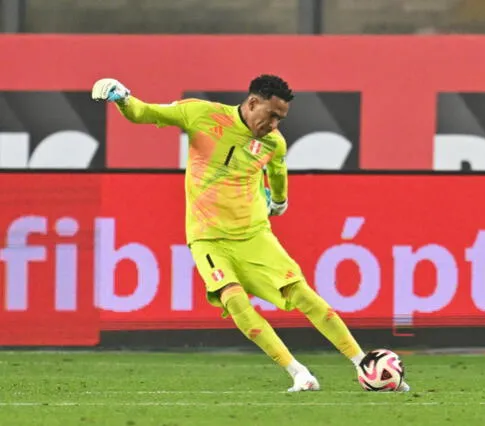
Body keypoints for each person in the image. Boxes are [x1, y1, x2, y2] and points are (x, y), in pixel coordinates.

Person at [91, 74, 409, 392]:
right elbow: (144, 113)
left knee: (303, 295)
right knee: (235, 301)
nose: (274, 124)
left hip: (255, 235)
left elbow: (278, 176)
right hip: (208, 237)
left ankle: (363, 364)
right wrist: (122, 98)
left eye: (280, 119)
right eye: (271, 115)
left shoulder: (274, 143)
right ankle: (299, 373)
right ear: (253, 102)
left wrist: (279, 202)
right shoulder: (201, 114)